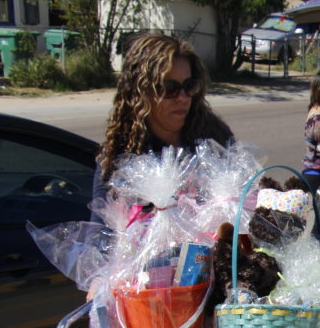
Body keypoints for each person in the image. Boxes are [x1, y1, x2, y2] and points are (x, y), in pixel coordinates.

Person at [93, 33, 234, 213]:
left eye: (189, 86)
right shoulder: (118, 156)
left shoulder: (215, 138)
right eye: (170, 88)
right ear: (141, 93)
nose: (182, 97)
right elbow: (98, 232)